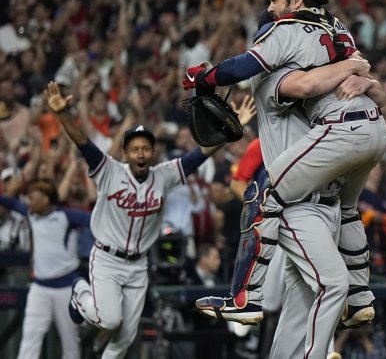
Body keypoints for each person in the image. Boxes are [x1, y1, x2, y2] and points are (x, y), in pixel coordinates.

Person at [184, 0, 386, 356]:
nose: (272, 28)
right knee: (331, 284)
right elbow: (321, 77)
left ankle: (245, 298)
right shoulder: (295, 70)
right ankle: (337, 306)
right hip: (302, 205)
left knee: (299, 310)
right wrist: (359, 69)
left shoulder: (289, 66)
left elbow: (285, 74)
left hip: (313, 197)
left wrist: (206, 77)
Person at [41, 81, 241, 359]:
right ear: (126, 153)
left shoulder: (164, 175)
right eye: (134, 149)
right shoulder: (109, 171)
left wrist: (228, 132)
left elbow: (198, 155)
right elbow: (82, 140)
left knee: (124, 338)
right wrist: (63, 115)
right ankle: (79, 293)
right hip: (108, 259)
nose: (141, 154)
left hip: (138, 266)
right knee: (110, 320)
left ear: (153, 152)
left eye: (146, 148)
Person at [0, 180, 89, 359]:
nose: (29, 202)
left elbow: (95, 220)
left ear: (46, 200)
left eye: (33, 198)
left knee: (70, 343)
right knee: (30, 337)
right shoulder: (31, 214)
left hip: (66, 287)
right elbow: (8, 202)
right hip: (40, 287)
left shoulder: (67, 216)